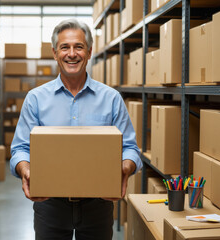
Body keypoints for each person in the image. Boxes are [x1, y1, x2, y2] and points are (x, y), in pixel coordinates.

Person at [10, 18, 142, 240]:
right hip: (49, 205)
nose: (72, 53)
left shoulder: (111, 99)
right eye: (65, 47)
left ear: (89, 52)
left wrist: (122, 170)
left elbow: (130, 148)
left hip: (98, 204)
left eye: (78, 47)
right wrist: (26, 171)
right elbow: (20, 149)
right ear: (55, 53)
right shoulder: (36, 99)